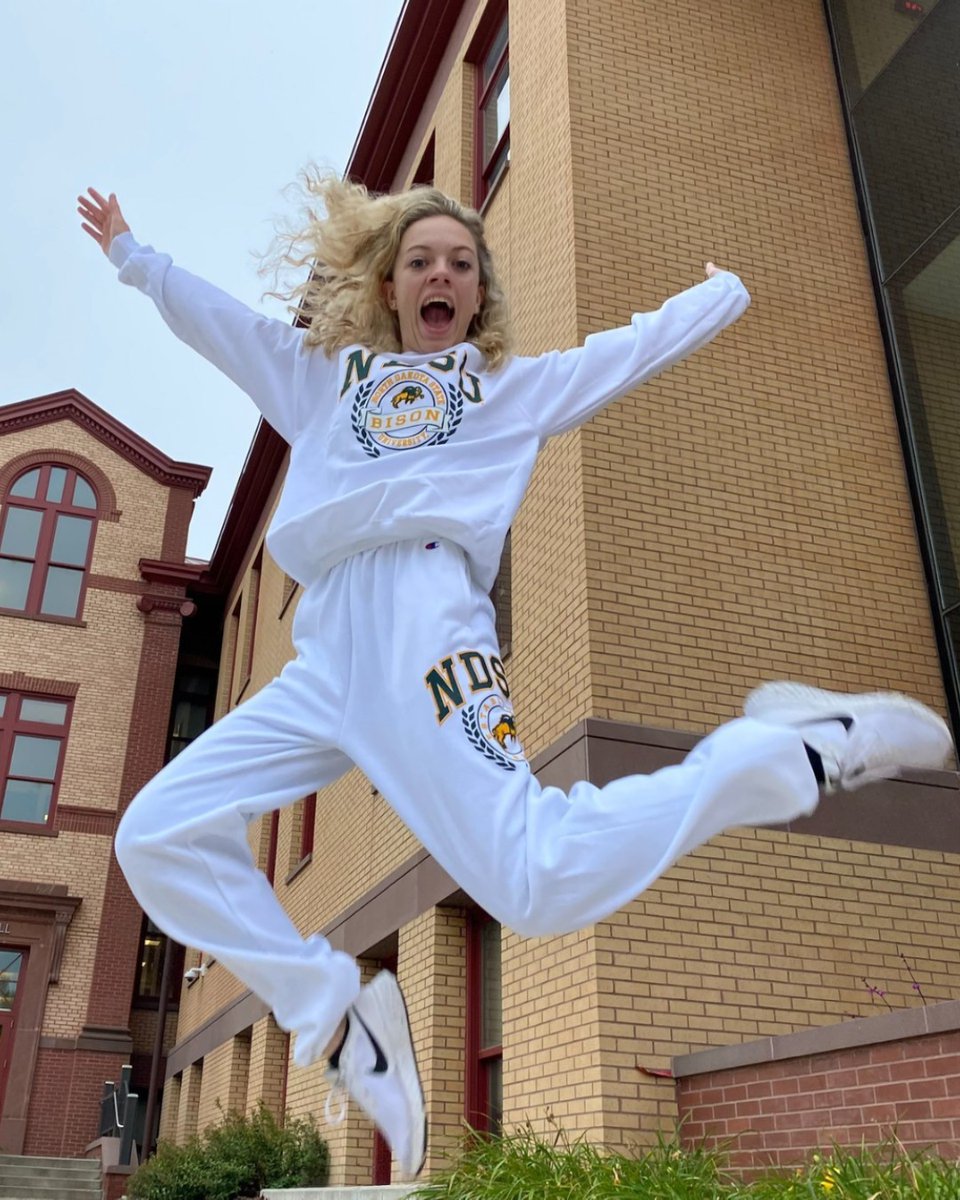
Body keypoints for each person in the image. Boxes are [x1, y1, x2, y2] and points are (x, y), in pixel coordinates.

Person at [77, 179, 952, 1178]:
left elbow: (618, 359)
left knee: (534, 882)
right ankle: (337, 1015)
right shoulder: (324, 380)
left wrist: (718, 297)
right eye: (420, 261)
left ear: (479, 292)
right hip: (326, 653)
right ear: (391, 285)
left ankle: (791, 749)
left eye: (460, 261)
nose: (440, 273)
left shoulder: (504, 392)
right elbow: (222, 325)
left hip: (426, 634)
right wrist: (135, 259)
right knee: (157, 831)